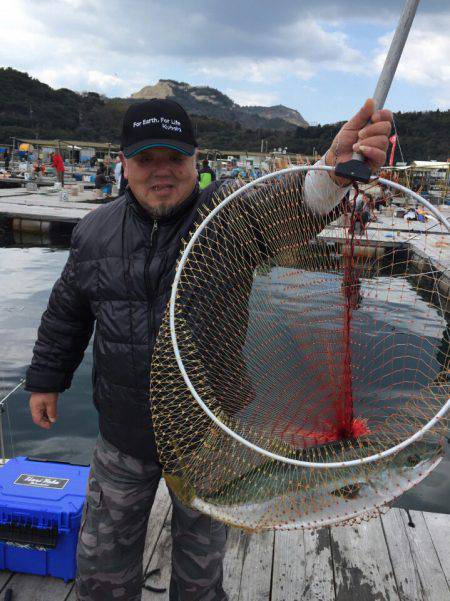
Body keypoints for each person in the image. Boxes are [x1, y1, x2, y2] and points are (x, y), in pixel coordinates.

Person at [26, 97, 392, 601]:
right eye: (146, 160)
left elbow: (295, 203)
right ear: (124, 163)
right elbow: (66, 313)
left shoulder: (229, 216)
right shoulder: (94, 232)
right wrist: (47, 379)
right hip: (122, 432)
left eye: (173, 159)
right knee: (102, 566)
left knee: (200, 572)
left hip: (212, 436)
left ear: (195, 161)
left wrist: (332, 169)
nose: (161, 173)